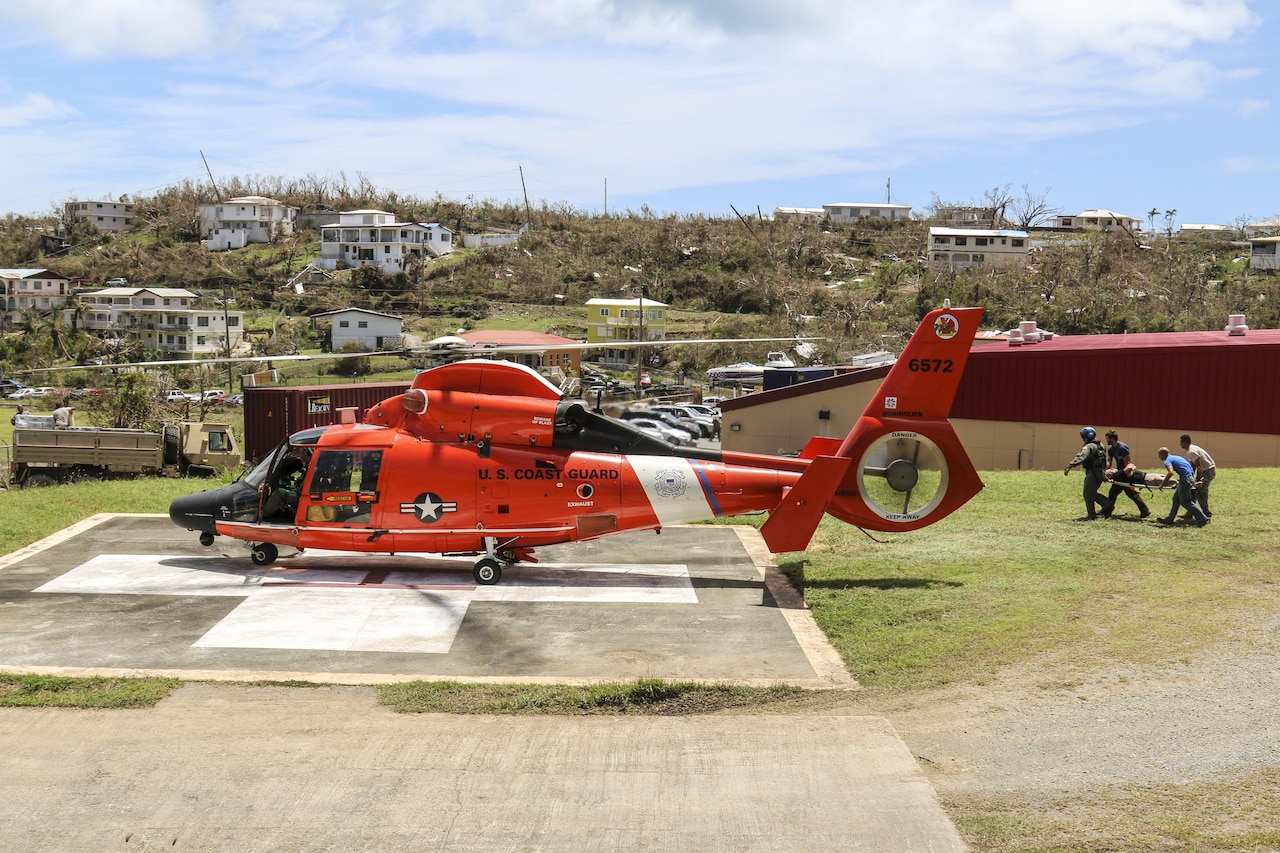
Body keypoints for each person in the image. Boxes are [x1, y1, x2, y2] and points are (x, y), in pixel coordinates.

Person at [1064, 426, 1114, 520]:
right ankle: (1106, 506)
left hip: (1093, 473)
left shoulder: (1089, 446)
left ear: (1085, 437)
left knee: (1088, 494)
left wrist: (1070, 465)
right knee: (1091, 493)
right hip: (1100, 473)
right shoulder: (1101, 445)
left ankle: (1097, 511)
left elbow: (1081, 457)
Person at [1155, 446, 1209, 527]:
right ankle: (1169, 519)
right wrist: (1191, 480)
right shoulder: (1177, 457)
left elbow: (1170, 472)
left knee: (1186, 502)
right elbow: (1188, 467)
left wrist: (1162, 484)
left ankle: (1203, 519)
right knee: (1176, 499)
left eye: (1159, 455)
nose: (1159, 457)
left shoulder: (1167, 461)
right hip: (1189, 477)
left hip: (1185, 480)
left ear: (1163, 454)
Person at [1104, 430, 1149, 518]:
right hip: (1120, 472)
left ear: (1111, 439)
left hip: (1125, 473)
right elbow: (1109, 462)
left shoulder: (1122, 448)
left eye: (1107, 439)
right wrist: (1105, 469)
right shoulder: (1111, 449)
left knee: (1117, 492)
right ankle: (1145, 510)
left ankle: (1107, 510)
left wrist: (1125, 475)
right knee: (1123, 492)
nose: (1106, 441)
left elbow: (1127, 463)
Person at [1179, 434, 1216, 518]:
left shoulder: (1192, 451)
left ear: (1185, 442)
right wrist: (1190, 477)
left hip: (1207, 471)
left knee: (1201, 493)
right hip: (1205, 470)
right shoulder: (1191, 450)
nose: (1180, 444)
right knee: (1192, 491)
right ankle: (1190, 513)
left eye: (1181, 442)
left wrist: (1199, 479)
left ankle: (1206, 514)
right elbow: (1193, 466)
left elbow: (1199, 467)